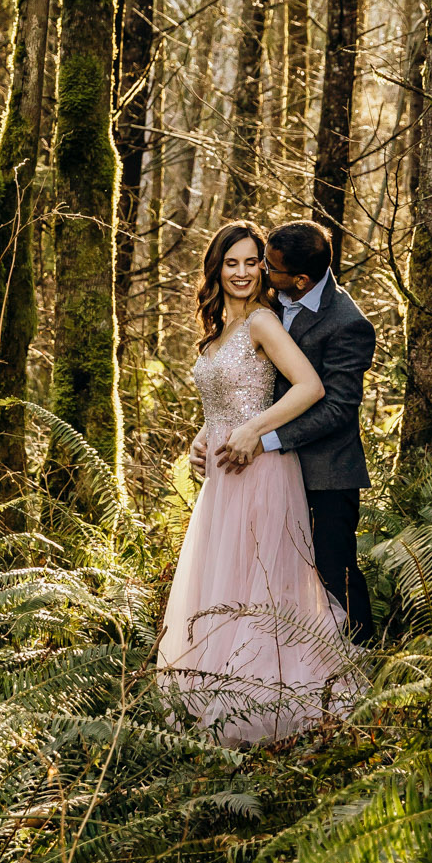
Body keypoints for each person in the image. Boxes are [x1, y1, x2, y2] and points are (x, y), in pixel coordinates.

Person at [157, 221, 352, 741]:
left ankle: (267, 699)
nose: (243, 273)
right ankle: (216, 689)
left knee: (262, 583)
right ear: (216, 268)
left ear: (263, 268)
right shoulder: (218, 331)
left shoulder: (264, 323)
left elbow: (309, 387)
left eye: (251, 262)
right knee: (224, 579)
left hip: (261, 468)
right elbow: (222, 400)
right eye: (232, 263)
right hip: (222, 475)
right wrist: (201, 437)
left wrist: (251, 430)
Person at [202, 219, 377, 643]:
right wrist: (210, 430)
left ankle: (366, 662)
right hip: (261, 467)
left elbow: (336, 407)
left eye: (268, 266)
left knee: (333, 570)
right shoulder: (272, 300)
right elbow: (246, 377)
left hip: (325, 470)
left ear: (300, 278)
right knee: (266, 571)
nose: (259, 269)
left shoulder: (346, 323)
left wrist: (263, 438)